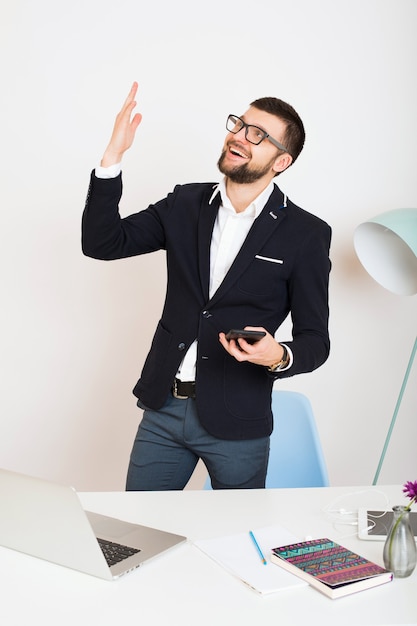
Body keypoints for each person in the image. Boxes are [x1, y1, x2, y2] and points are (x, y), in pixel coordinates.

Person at [82, 82, 331, 491]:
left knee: (237, 542)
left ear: (281, 161)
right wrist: (113, 158)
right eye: (240, 124)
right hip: (164, 408)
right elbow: (102, 243)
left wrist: (277, 355)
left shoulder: (306, 234)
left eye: (258, 135)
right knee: (140, 536)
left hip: (238, 421)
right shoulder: (185, 203)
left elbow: (315, 341)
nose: (239, 136)